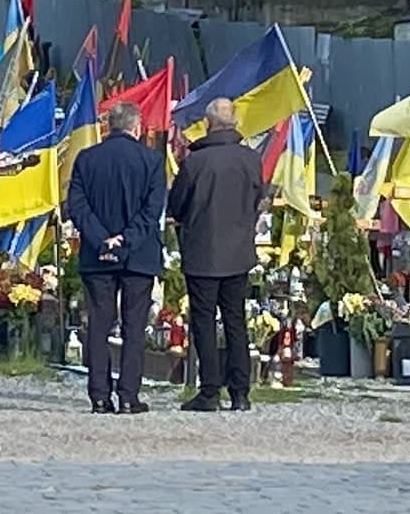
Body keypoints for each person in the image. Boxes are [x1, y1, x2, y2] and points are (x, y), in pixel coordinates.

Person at [66, 101, 164, 415]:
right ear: (137, 128)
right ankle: (128, 396)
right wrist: (125, 240)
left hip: (97, 255)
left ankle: (98, 395)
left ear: (108, 127)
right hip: (138, 255)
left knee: (99, 323)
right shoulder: (151, 160)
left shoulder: (87, 158)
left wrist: (101, 240)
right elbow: (152, 211)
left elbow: (77, 205)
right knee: (134, 326)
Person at [166, 98, 264, 412]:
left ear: (208, 123)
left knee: (204, 322)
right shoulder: (250, 159)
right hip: (237, 251)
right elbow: (256, 199)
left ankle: (209, 391)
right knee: (236, 322)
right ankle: (240, 393)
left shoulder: (195, 162)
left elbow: (177, 204)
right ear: (234, 122)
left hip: (202, 252)